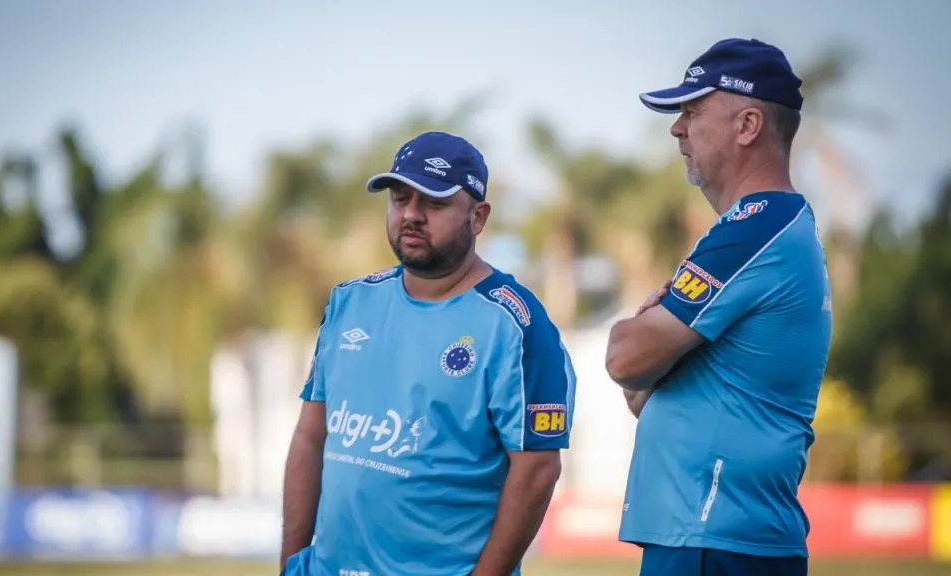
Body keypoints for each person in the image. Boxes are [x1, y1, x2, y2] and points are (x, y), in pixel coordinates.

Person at [280, 131, 577, 576]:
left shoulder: (515, 323)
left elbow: (537, 469)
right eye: (400, 199)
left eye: (434, 203)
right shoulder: (349, 303)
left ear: (479, 217)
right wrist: (291, 565)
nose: (411, 215)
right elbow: (310, 437)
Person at [604, 38, 833, 576]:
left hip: (715, 535)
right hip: (711, 535)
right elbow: (641, 394)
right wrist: (646, 355)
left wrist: (638, 338)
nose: (676, 129)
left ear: (748, 125)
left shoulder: (759, 224)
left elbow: (624, 359)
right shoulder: (761, 228)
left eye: (692, 110)